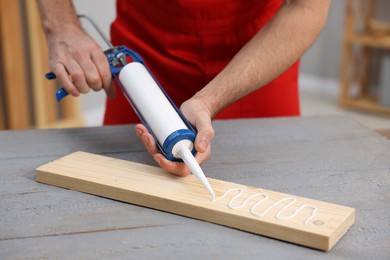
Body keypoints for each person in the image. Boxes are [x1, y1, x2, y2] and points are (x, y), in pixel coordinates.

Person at [36, 0, 331, 176]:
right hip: (141, 64)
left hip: (259, 59)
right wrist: (61, 27)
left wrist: (210, 99)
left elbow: (305, 7)